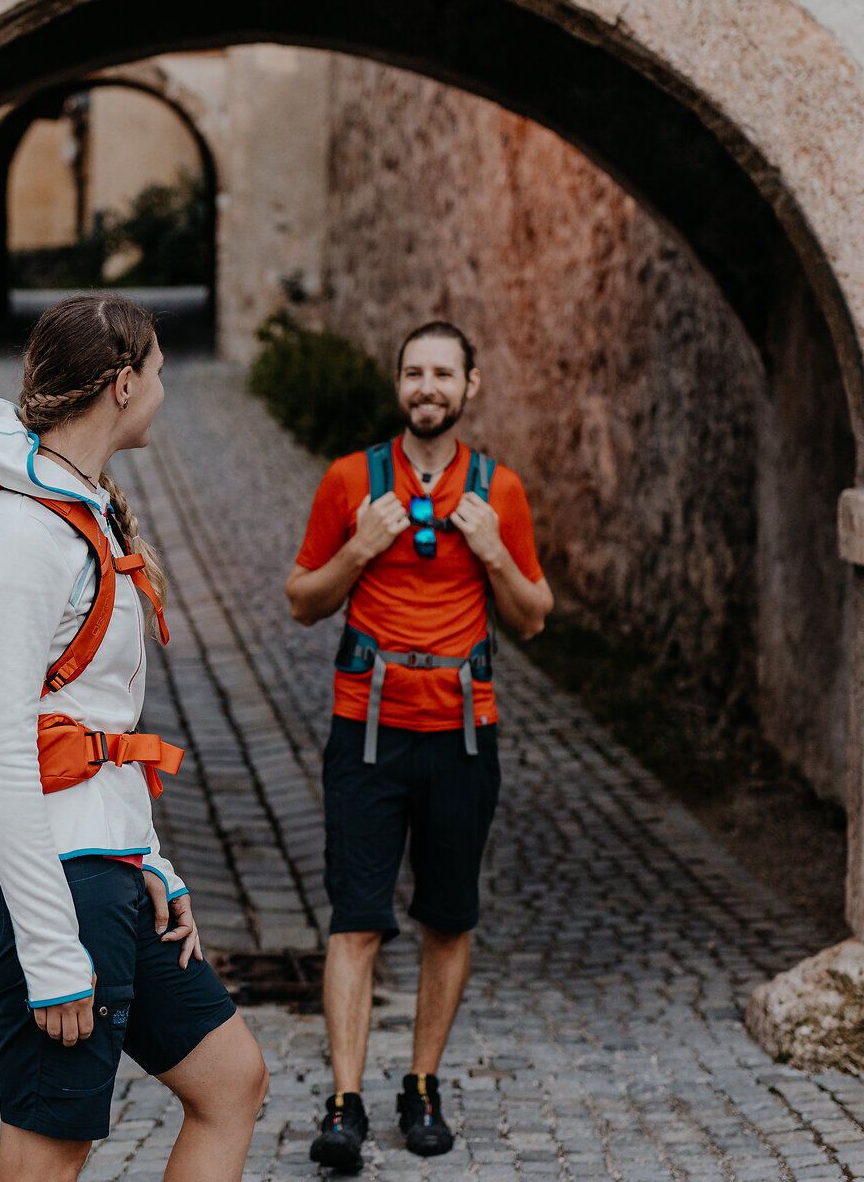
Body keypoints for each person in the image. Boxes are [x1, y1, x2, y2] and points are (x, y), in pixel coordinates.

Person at [0, 293, 269, 1182]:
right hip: (50, 888)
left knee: (231, 1081)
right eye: (160, 371)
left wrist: (152, 864)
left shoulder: (81, 510)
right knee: (51, 1153)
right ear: (123, 383)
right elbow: (0, 748)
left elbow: (98, 725)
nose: (167, 387)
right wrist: (52, 953)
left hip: (105, 865)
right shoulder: (19, 534)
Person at [285, 321, 553, 1171]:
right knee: (356, 918)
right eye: (413, 372)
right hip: (367, 728)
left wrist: (493, 551)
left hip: (463, 733)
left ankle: (423, 1085)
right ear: (398, 384)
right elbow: (302, 600)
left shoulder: (499, 489)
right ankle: (345, 1101)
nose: (426, 387)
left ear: (471, 386)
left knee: (448, 914)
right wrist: (359, 548)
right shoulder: (349, 481)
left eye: (443, 373)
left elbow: (533, 613)